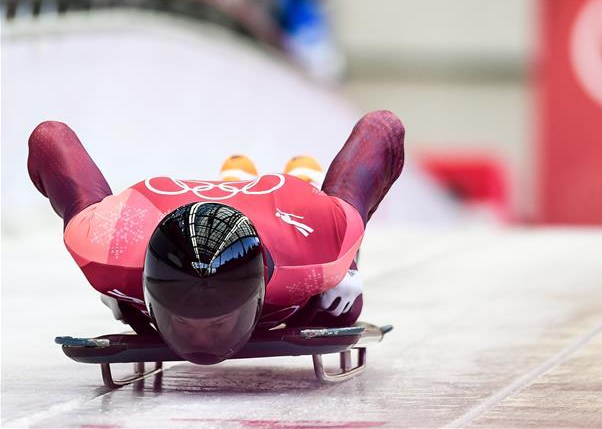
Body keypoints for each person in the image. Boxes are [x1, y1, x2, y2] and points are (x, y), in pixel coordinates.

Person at [27, 110, 404, 364]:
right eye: (186, 324)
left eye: (219, 324)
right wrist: (121, 294)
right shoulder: (107, 250)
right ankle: (240, 182)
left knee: (338, 303)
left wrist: (345, 265)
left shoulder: (318, 250)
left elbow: (385, 128)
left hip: (287, 214)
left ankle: (293, 177)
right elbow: (48, 138)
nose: (204, 342)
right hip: (187, 216)